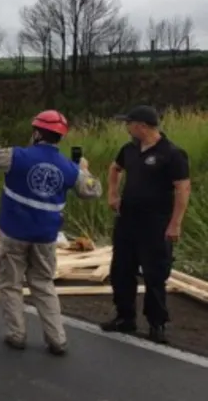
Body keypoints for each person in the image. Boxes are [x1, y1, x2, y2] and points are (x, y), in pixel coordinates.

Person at [0, 110, 103, 356]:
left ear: (37, 133)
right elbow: (93, 191)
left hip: (13, 234)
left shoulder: (17, 156)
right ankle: (57, 339)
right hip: (45, 238)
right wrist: (85, 170)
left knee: (10, 284)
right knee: (44, 284)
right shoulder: (69, 169)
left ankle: (17, 334)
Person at [100, 105, 190, 344]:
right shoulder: (129, 149)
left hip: (156, 223)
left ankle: (156, 323)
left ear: (141, 126)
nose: (126, 127)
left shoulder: (171, 154)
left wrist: (175, 223)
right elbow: (114, 168)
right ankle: (125, 317)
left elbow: (182, 189)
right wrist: (112, 193)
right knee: (121, 270)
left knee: (154, 274)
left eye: (129, 123)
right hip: (128, 219)